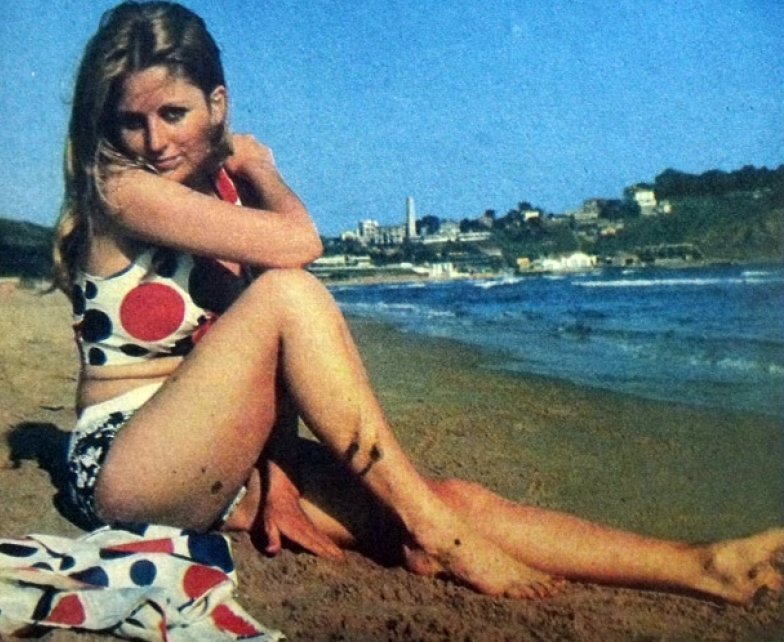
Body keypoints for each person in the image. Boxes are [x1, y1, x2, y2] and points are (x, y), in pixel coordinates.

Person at [54, 0, 784, 606]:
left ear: (218, 105)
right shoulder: (122, 190)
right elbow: (301, 244)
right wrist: (264, 169)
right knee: (290, 295)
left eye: (174, 113)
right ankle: (440, 536)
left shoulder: (216, 199)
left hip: (215, 455)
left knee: (448, 496)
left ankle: (701, 565)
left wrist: (280, 479)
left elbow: (265, 372)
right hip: (127, 461)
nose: (154, 141)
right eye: (131, 121)